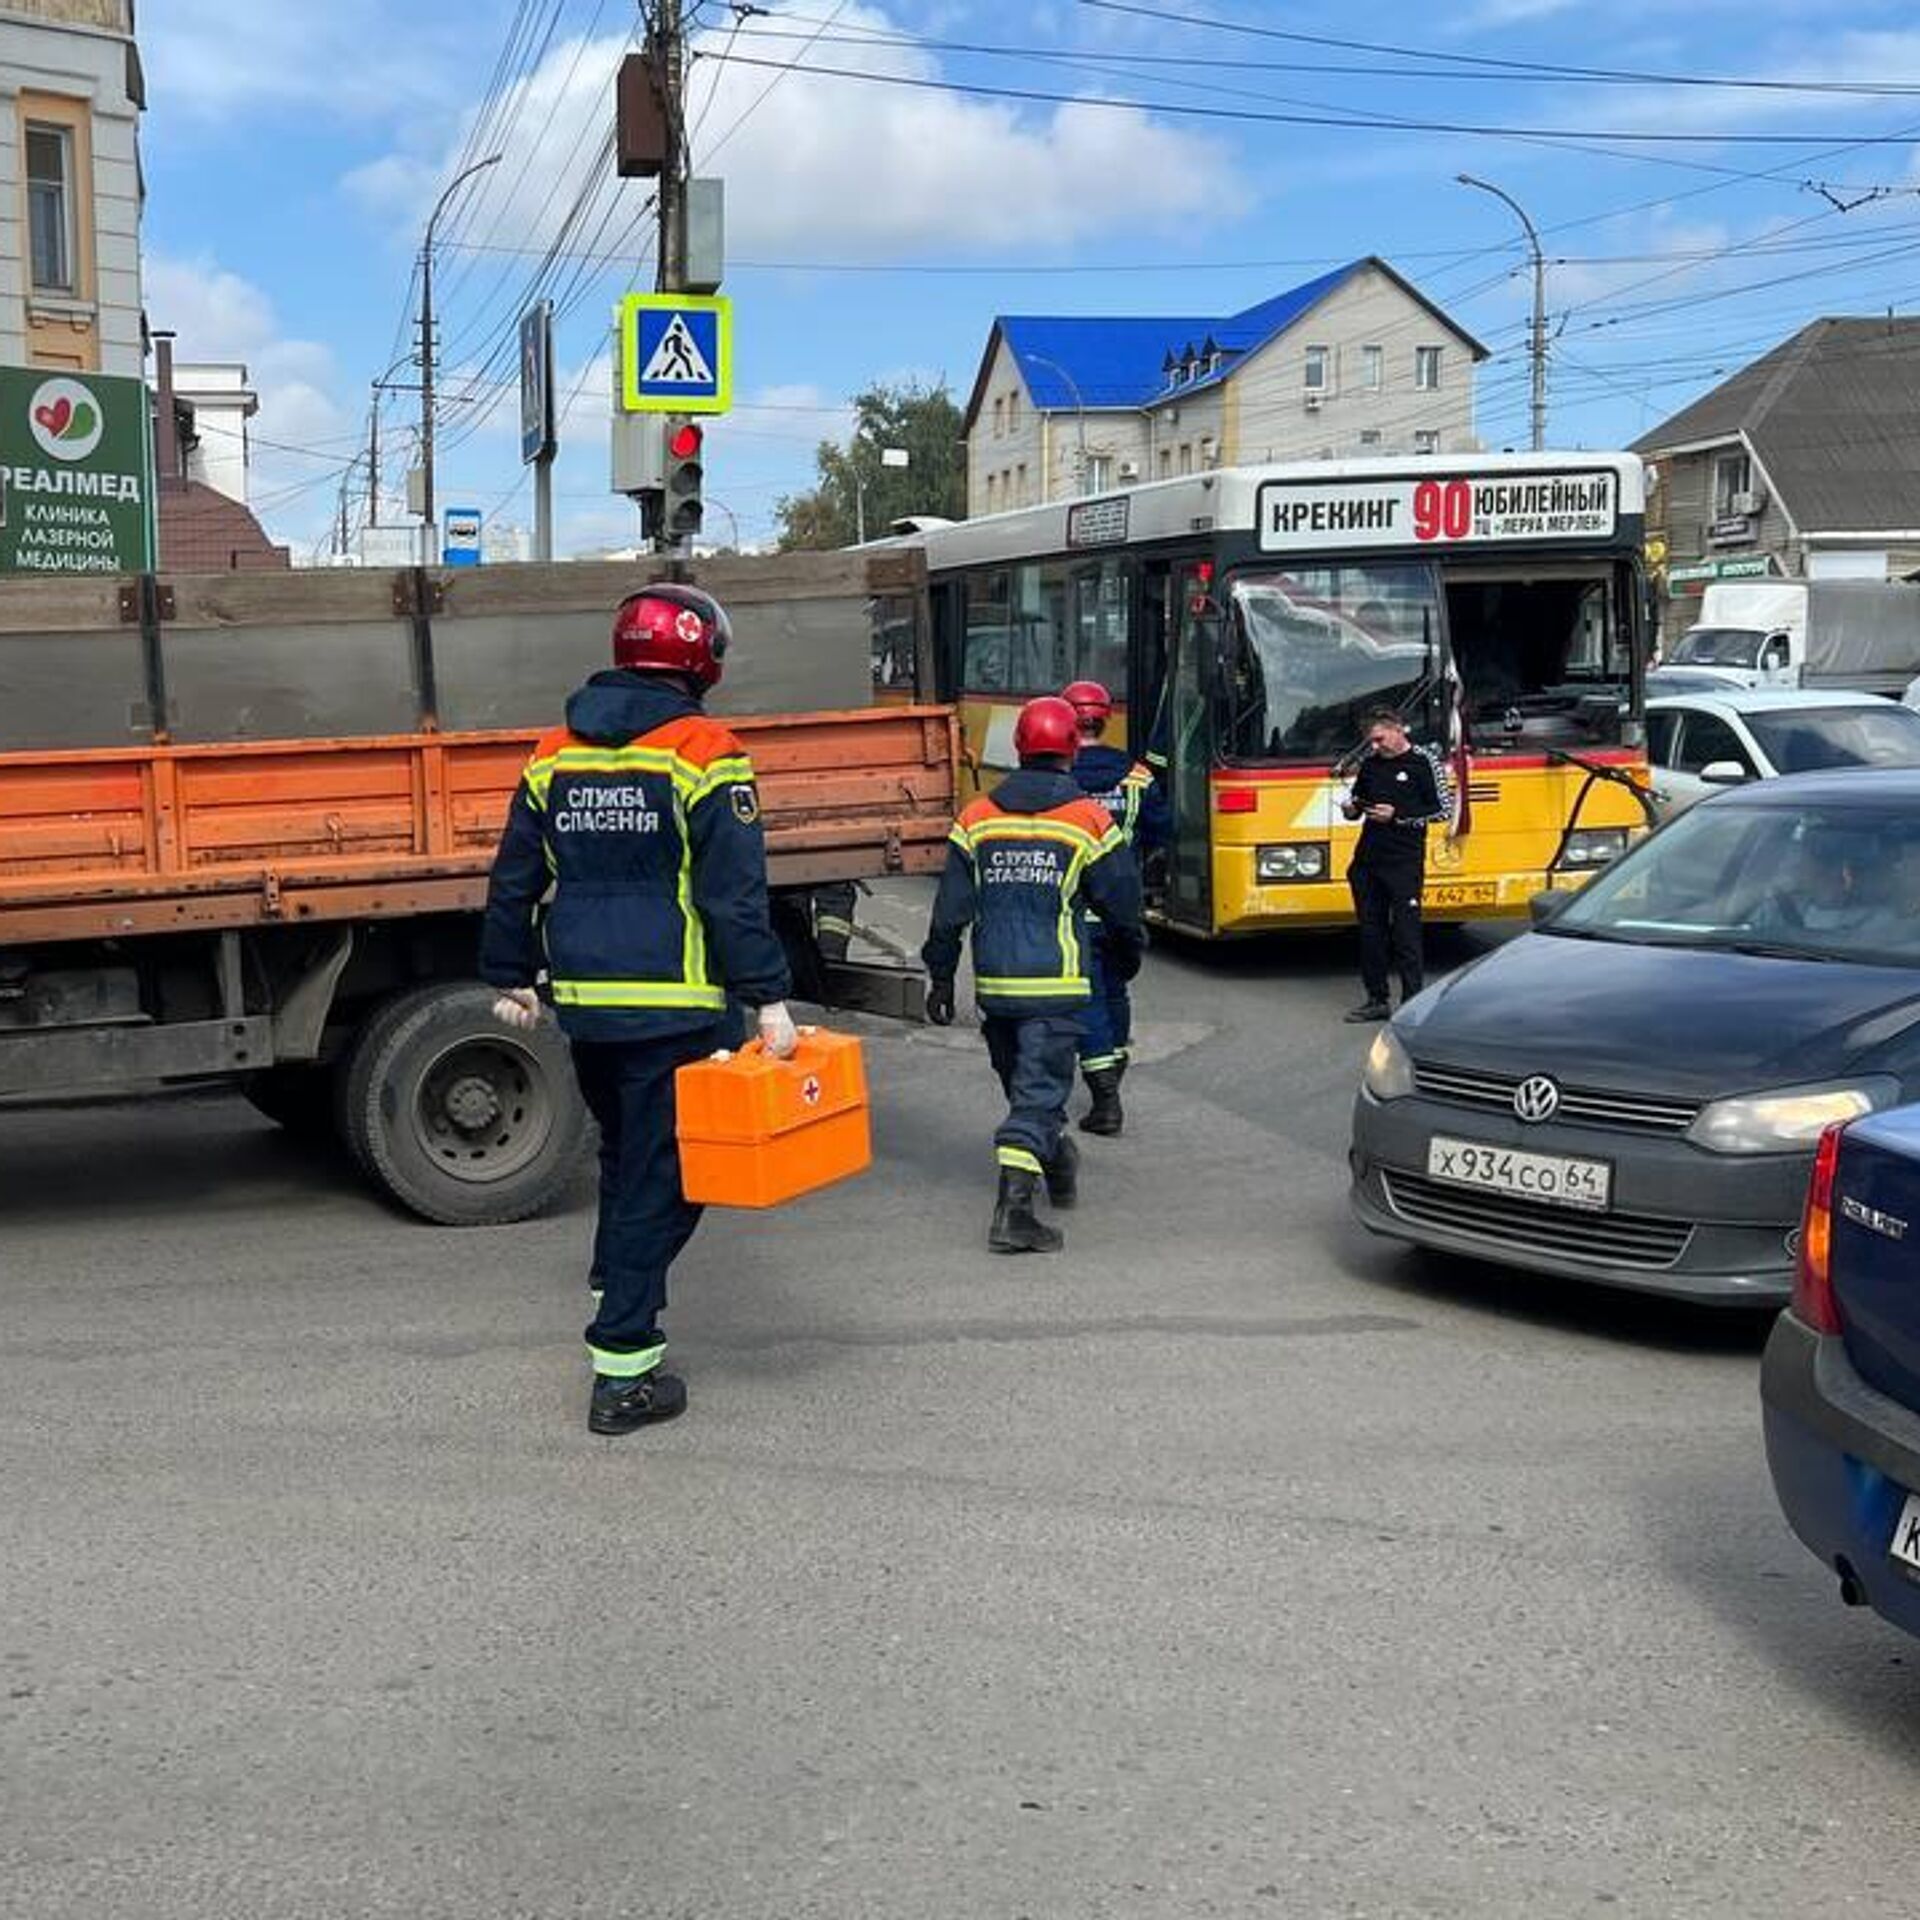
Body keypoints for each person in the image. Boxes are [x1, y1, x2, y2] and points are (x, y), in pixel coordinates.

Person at [480, 584, 798, 1436]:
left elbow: (513, 874)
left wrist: (510, 971)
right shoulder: (706, 751)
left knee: (627, 1154)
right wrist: (768, 997)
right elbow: (734, 899)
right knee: (675, 1178)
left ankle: (611, 1273)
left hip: (587, 1004)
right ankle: (623, 1366)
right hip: (679, 1006)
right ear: (701, 659)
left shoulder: (553, 752)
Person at [922, 695, 1145, 1254]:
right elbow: (1121, 902)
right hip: (1056, 983)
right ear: (1072, 747)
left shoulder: (976, 816)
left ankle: (1057, 1156)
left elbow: (949, 910)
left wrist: (942, 975)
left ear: (1019, 747)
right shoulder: (1089, 819)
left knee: (1027, 1091)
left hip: (996, 986)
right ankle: (1014, 1214)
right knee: (1039, 1096)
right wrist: (1128, 954)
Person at [1060, 678, 1170, 1136]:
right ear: (1106, 720)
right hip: (1122, 906)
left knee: (1086, 999)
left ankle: (1105, 1097)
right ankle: (1115, 1058)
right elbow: (1163, 828)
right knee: (1116, 991)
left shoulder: (1059, 779)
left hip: (1074, 910)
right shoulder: (1138, 777)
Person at [1341, 706, 1446, 1023]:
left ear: (1398, 729)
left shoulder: (1424, 761)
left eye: (1379, 739)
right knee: (1370, 932)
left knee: (1406, 933)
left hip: (1404, 861)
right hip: (1368, 861)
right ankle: (1376, 998)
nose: (1375, 747)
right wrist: (1351, 809)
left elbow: (1442, 810)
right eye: (1371, 741)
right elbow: (1358, 804)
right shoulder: (1371, 765)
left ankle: (1412, 1001)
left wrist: (1397, 816)